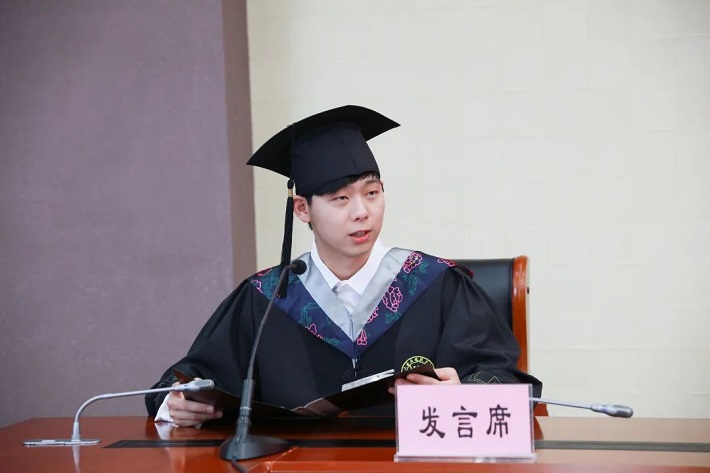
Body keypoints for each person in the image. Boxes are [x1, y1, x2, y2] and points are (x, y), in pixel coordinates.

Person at [146, 105, 542, 427]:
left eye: (372, 193)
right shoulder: (266, 300)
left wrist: (466, 395)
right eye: (340, 198)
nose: (362, 212)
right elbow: (187, 380)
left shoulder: (437, 285)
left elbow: (506, 381)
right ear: (303, 209)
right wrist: (176, 404)